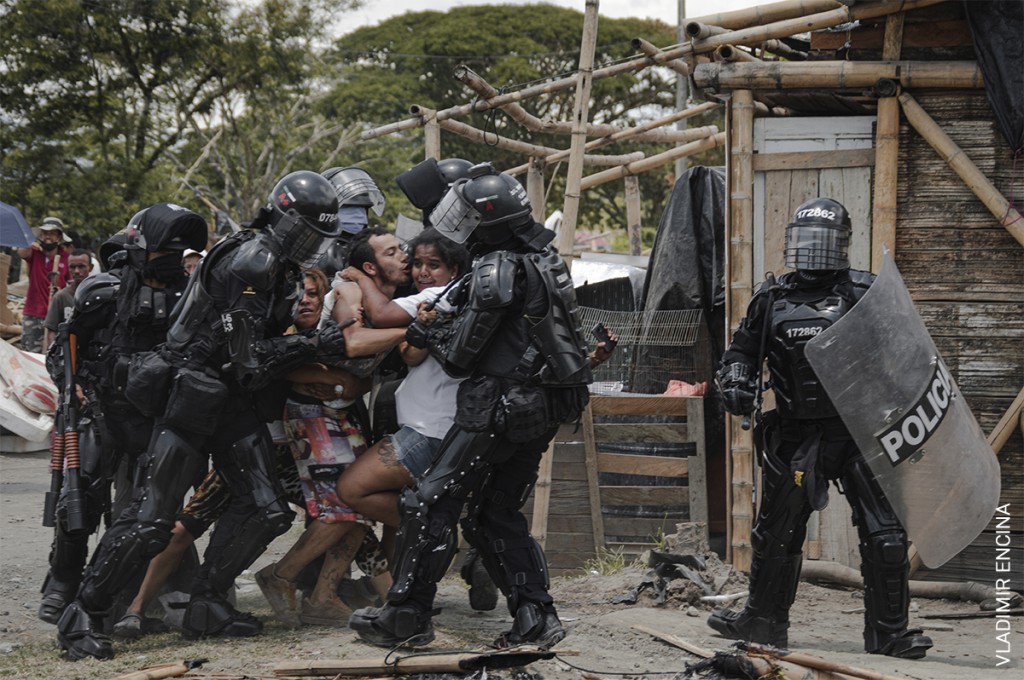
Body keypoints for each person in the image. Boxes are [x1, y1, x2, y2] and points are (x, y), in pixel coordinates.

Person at [54, 172, 352, 660]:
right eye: (305, 229)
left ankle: (207, 602)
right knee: (150, 518)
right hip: (191, 393)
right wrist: (316, 343)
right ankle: (83, 614)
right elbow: (249, 357)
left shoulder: (277, 264)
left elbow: (250, 357)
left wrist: (308, 345)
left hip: (229, 398)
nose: (310, 241)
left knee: (268, 510)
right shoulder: (253, 258)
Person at [348, 163, 592, 649]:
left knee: (429, 502)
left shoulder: (496, 267)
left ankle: (406, 616)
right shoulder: (543, 258)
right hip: (539, 406)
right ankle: (536, 617)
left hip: (498, 405)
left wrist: (428, 332)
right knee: (491, 512)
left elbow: (460, 357)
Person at [706, 198, 933, 660]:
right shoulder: (771, 299)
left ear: (842, 244)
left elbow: (909, 353)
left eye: (823, 241)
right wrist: (735, 382)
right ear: (792, 241)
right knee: (777, 534)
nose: (813, 250)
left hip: (861, 433)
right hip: (796, 436)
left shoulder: (866, 292)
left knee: (886, 535)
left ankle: (889, 634)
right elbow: (740, 354)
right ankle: (762, 621)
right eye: (806, 240)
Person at [40, 207, 207, 630]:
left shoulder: (186, 294)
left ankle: (164, 588)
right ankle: (63, 581)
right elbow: (63, 348)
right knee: (79, 499)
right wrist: (72, 385)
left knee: (153, 509)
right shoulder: (103, 295)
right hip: (100, 410)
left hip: (156, 416)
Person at [256, 262, 405, 629]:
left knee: (355, 507)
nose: (305, 301)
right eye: (299, 295)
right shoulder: (279, 333)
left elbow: (361, 377)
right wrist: (334, 379)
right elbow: (276, 366)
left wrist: (345, 383)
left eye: (313, 294)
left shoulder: (335, 325)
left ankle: (323, 596)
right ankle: (283, 574)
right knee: (342, 507)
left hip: (342, 419)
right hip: (305, 426)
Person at [16, 216, 71, 353]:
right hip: (33, 313)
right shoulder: (34, 253)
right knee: (30, 354)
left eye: (52, 234)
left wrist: (59, 290)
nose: (48, 237)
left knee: (54, 355)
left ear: (59, 237)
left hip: (56, 315)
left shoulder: (66, 258)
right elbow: (21, 252)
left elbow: (71, 285)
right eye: (45, 233)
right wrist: (30, 241)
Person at [43, 248, 92, 349]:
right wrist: (54, 352)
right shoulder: (61, 297)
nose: (76, 271)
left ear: (90, 267)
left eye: (81, 266)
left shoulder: (98, 295)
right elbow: (52, 330)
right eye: (72, 267)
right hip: (68, 351)